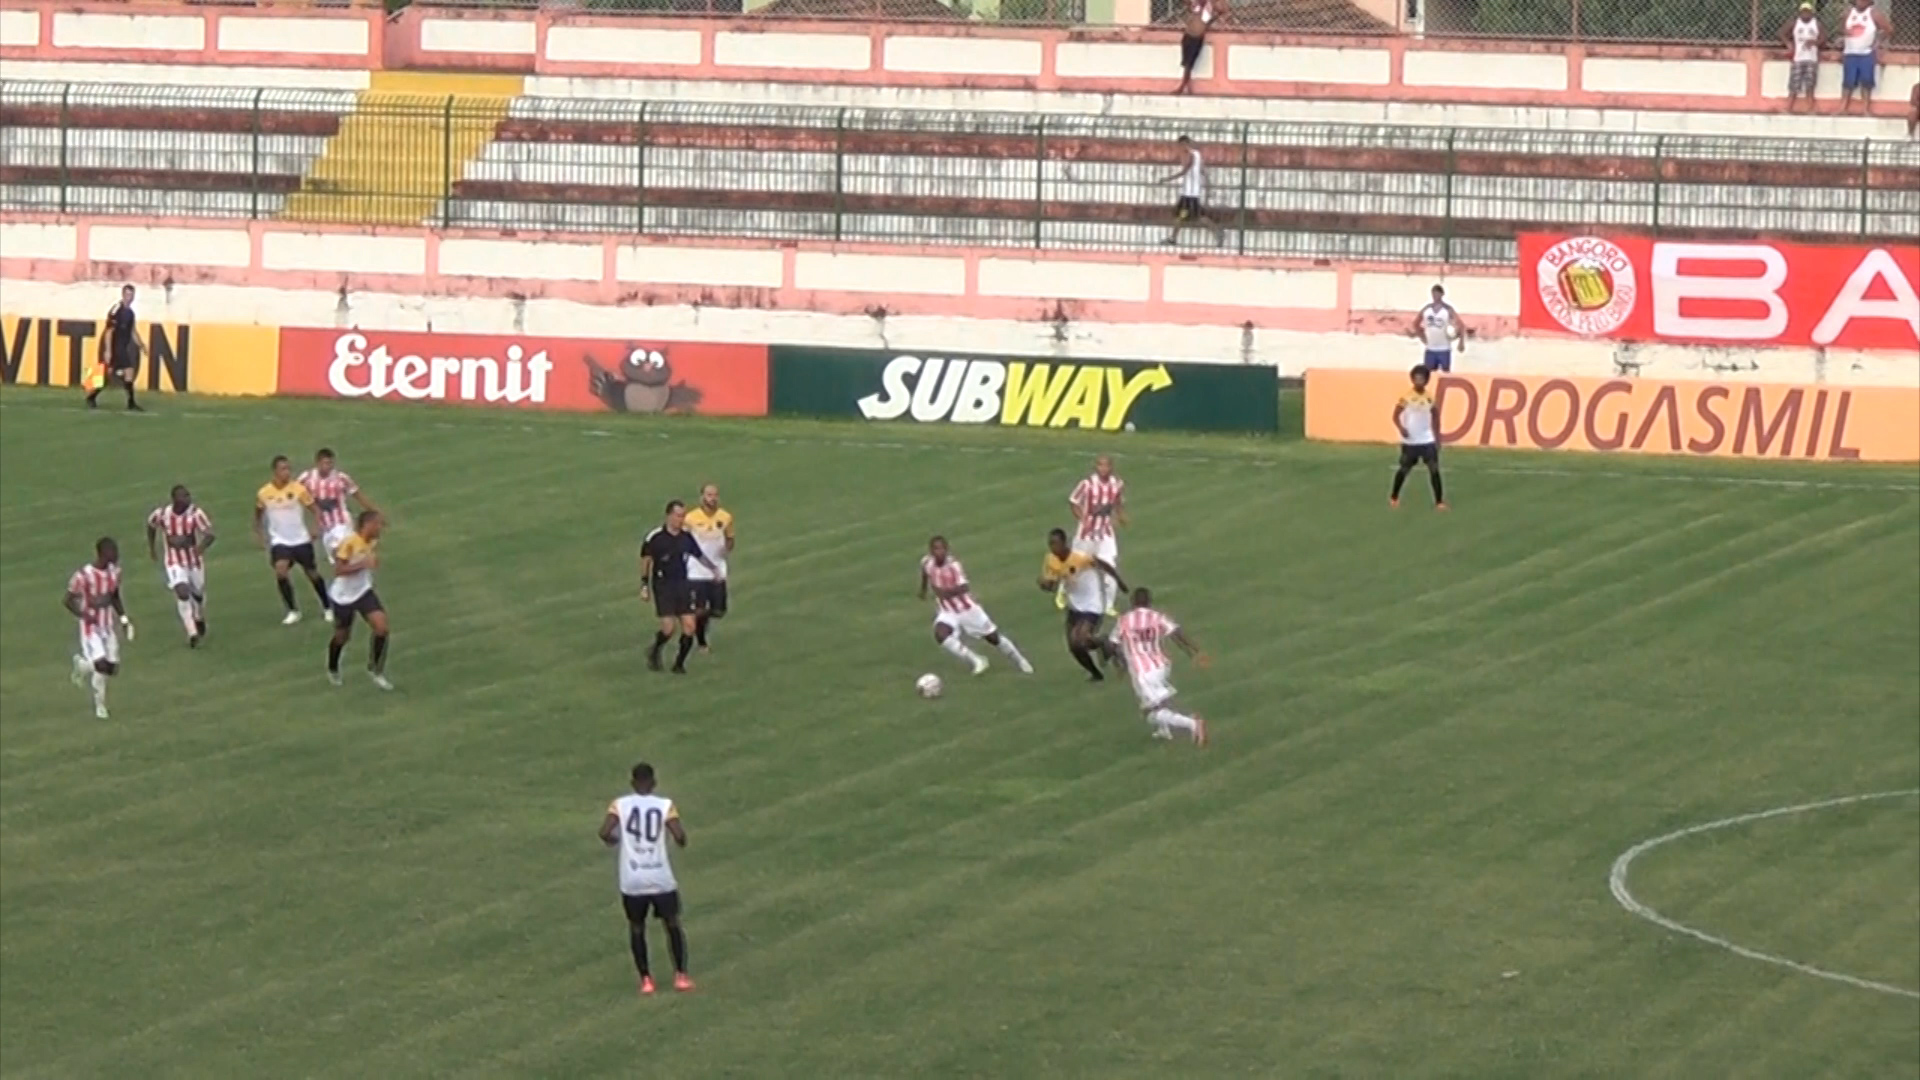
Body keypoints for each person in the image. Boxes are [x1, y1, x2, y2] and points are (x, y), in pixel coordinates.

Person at [598, 762, 693, 996]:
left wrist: (614, 841)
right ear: (653, 783)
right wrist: (676, 841)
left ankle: (646, 980)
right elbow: (680, 836)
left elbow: (604, 831)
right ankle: (680, 975)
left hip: (632, 878)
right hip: (660, 875)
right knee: (672, 924)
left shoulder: (619, 805)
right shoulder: (664, 806)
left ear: (632, 783)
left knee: (637, 927)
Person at [919, 536, 1032, 676]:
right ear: (931, 551)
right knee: (941, 634)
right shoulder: (927, 563)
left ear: (947, 550)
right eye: (935, 549)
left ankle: (1020, 660)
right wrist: (923, 591)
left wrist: (944, 593)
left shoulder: (953, 566)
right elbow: (925, 573)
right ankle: (977, 660)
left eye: (942, 548)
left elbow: (964, 587)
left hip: (967, 610)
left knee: (993, 637)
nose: (939, 552)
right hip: (947, 611)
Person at [1112, 587, 1208, 746]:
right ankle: (1164, 730)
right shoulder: (1157, 617)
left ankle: (1193, 724)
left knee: (1150, 713)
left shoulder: (1124, 620)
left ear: (1132, 602)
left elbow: (1114, 645)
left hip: (1142, 671)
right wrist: (1194, 652)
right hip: (1161, 666)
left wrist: (1120, 666)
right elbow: (1177, 634)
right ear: (1149, 602)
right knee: (1158, 702)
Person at [1038, 527, 1126, 682]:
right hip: (1074, 606)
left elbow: (1104, 565)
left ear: (1064, 543)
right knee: (1074, 646)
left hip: (1092, 605)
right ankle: (1096, 673)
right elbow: (1051, 585)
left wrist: (1119, 582)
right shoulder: (1051, 559)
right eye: (1050, 544)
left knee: (1080, 639)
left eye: (1055, 543)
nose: (1052, 547)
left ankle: (1106, 643)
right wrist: (1045, 584)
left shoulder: (1080, 557)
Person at [641, 500, 716, 674]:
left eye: (683, 516)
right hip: (663, 585)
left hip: (682, 584)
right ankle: (655, 651)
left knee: (689, 627)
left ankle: (679, 664)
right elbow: (646, 560)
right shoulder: (656, 537)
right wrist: (644, 584)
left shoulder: (685, 537)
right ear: (669, 515)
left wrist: (713, 569)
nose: (681, 520)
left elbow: (698, 555)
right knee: (669, 628)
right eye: (678, 516)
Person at [255, 455, 329, 626]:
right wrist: (259, 534)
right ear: (275, 471)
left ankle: (327, 606)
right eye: (283, 469)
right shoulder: (264, 493)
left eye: (288, 468)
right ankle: (293, 611)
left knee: (312, 574)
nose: (287, 472)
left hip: (300, 539)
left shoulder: (298, 489)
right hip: (280, 540)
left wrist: (315, 528)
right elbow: (258, 514)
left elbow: (315, 509)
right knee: (281, 570)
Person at [66, 537, 131, 720]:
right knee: (102, 665)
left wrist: (124, 619)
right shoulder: (84, 576)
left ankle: (82, 666)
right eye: (113, 551)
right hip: (90, 628)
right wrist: (84, 615)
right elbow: (68, 600)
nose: (116, 554)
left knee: (112, 668)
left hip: (107, 626)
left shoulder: (115, 573)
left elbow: (115, 597)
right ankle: (100, 706)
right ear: (102, 553)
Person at [326, 510, 391, 690]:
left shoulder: (372, 541)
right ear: (368, 525)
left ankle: (375, 670)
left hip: (363, 591)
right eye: (377, 524)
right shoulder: (349, 543)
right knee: (342, 636)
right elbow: (339, 570)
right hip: (343, 597)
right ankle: (333, 667)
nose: (380, 528)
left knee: (381, 628)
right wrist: (363, 565)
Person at [146, 484, 213, 647]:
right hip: (174, 561)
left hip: (193, 562)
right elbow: (151, 525)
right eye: (184, 496)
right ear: (175, 499)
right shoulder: (162, 514)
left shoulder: (196, 513)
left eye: (188, 495)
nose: (188, 499)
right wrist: (152, 547)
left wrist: (200, 548)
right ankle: (192, 633)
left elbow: (210, 534)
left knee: (197, 592)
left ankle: (198, 615)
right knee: (182, 592)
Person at [1066, 455, 1126, 615]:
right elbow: (1073, 501)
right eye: (1100, 465)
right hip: (1086, 533)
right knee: (1076, 566)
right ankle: (1064, 592)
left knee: (1110, 565)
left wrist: (1120, 515)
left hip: (1105, 532)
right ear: (1096, 467)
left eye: (1106, 465)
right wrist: (1082, 518)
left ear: (1111, 467)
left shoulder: (1117, 484)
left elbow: (1118, 500)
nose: (1103, 469)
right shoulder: (1087, 484)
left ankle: (1109, 605)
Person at [297, 448, 378, 561]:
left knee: (343, 555)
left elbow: (358, 496)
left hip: (341, 523)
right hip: (324, 528)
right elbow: (294, 493)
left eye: (331, 463)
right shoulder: (307, 478)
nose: (329, 466)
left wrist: (374, 514)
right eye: (326, 463)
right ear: (318, 463)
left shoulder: (341, 478)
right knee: (338, 562)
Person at [683, 484, 734, 654]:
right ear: (702, 497)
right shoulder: (690, 518)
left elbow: (729, 538)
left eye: (715, 495)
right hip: (697, 570)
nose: (712, 498)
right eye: (709, 495)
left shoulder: (725, 517)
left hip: (717, 568)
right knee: (700, 608)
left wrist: (726, 548)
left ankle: (698, 621)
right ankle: (701, 642)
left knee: (719, 610)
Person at [1390, 365, 1447, 511]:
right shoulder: (1407, 397)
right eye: (1416, 379)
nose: (1418, 381)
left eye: (1421, 379)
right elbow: (1395, 415)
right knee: (1404, 469)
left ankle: (1439, 502)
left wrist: (1437, 437)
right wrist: (1401, 428)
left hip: (1427, 439)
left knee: (1434, 469)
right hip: (1411, 440)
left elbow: (1435, 416)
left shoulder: (1429, 397)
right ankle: (1394, 496)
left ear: (1426, 380)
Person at [86, 284, 143, 412]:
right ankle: (92, 396)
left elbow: (133, 331)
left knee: (128, 372)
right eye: (127, 294)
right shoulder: (116, 309)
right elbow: (109, 331)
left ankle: (131, 402)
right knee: (108, 374)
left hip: (123, 347)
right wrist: (108, 350)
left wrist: (141, 345)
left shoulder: (131, 313)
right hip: (115, 346)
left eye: (131, 295)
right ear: (123, 295)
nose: (129, 297)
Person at [1161, 136, 1223, 247]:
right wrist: (1208, 186)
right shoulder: (1197, 154)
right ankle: (1173, 238)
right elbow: (1203, 171)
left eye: (1181, 145)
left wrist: (1166, 179)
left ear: (1185, 143)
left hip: (1189, 193)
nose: (1180, 148)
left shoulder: (1190, 155)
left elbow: (1184, 172)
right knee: (1184, 216)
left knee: (1196, 217)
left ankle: (1218, 232)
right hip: (1192, 192)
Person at [1838, 0, 1892, 113]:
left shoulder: (1874, 13)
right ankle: (1843, 107)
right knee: (1848, 81)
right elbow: (1841, 28)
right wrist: (1844, 33)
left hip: (1866, 53)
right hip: (1850, 52)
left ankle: (1865, 108)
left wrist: (1878, 42)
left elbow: (1888, 29)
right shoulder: (1848, 13)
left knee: (1866, 81)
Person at [1411, 284, 1467, 372]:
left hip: (1444, 349)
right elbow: (1415, 324)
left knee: (1445, 373)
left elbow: (1461, 325)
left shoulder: (1448, 309)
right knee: (1429, 374)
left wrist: (1461, 342)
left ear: (1442, 294)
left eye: (1437, 294)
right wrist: (1422, 337)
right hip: (1430, 348)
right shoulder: (1427, 309)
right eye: (1433, 294)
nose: (1435, 296)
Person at [1783, 3, 1824, 113]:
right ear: (1800, 12)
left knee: (1810, 84)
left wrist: (1815, 42)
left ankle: (1810, 108)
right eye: (1803, 11)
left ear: (1812, 12)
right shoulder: (1795, 23)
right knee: (1794, 84)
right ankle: (1788, 108)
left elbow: (1824, 38)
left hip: (1812, 58)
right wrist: (1788, 43)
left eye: (1808, 11)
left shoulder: (1816, 24)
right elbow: (1781, 33)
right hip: (1798, 57)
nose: (1805, 14)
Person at [1175, 0, 1222, 95]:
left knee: (1190, 62)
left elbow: (1223, 10)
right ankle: (1185, 86)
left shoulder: (1210, 6)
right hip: (1188, 34)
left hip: (1197, 36)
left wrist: (1212, 20)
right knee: (1186, 61)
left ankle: (1184, 85)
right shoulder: (1195, 4)